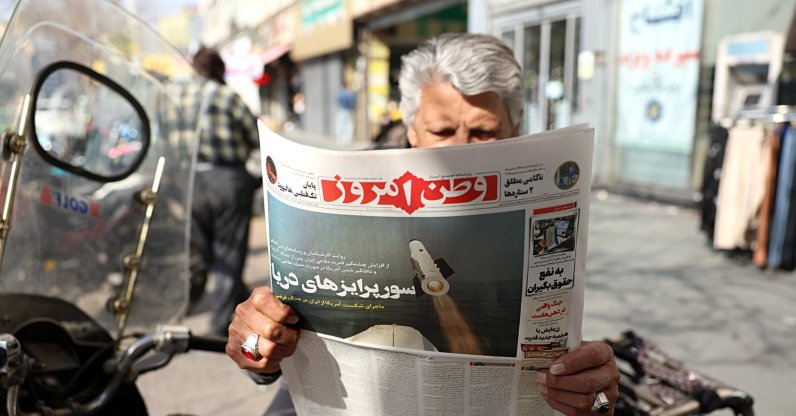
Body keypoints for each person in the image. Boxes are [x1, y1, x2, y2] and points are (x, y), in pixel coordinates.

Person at [226, 33, 619, 415]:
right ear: (411, 130)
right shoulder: (351, 192)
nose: (462, 149)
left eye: (483, 132)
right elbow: (269, 357)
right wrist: (255, 347)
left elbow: (573, 380)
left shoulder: (539, 212)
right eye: (442, 131)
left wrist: (595, 399)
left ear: (515, 130)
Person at [188, 47, 260, 337]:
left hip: (190, 182)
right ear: (219, 70)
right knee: (228, 253)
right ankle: (220, 322)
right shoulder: (228, 97)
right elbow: (255, 137)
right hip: (227, 182)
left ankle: (215, 296)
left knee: (201, 248)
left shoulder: (177, 97)